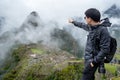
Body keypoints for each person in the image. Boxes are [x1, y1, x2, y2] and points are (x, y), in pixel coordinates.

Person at [68, 8, 111, 80]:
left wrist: (94, 62)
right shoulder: (91, 27)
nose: (84, 19)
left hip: (93, 60)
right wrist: (73, 22)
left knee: (85, 76)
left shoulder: (103, 30)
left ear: (90, 19)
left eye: (85, 17)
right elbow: (82, 25)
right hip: (88, 59)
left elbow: (105, 49)